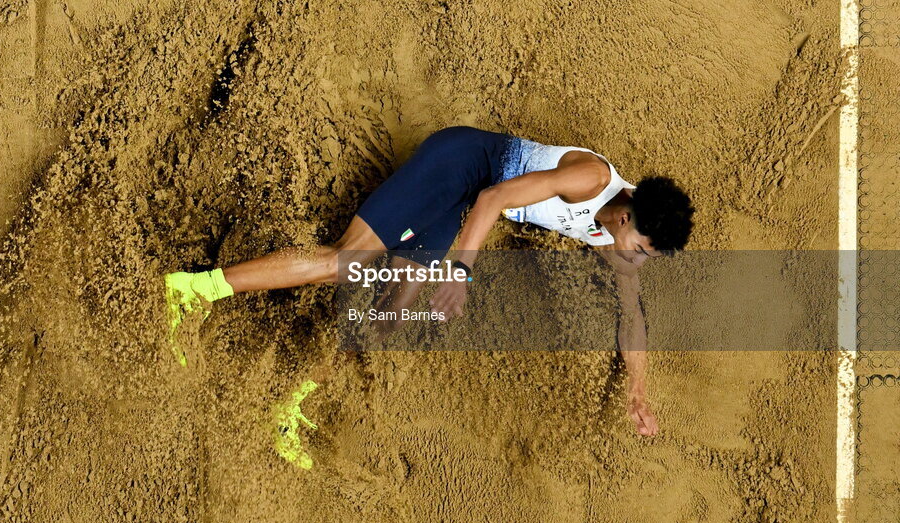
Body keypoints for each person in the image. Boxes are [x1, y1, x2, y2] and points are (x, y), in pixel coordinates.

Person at [165, 126, 695, 436]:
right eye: (644, 249)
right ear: (628, 218)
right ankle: (193, 290)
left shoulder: (619, 243)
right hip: (462, 167)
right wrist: (458, 270)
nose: (639, 261)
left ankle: (289, 407)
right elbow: (493, 198)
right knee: (349, 261)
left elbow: (632, 316)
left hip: (465, 206)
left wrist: (638, 390)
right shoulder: (593, 181)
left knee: (392, 316)